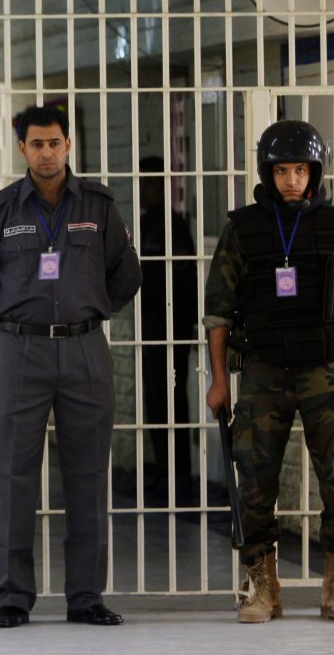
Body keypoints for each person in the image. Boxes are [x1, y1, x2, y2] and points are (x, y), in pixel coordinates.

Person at [0, 104, 141, 629]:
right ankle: (13, 597)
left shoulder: (99, 206)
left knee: (87, 475)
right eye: (36, 144)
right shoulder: (0, 210)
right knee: (14, 476)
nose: (47, 152)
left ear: (68, 145)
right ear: (22, 149)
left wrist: (86, 306)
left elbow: (126, 275)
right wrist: (12, 311)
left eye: (55, 142)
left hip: (85, 351)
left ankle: (85, 597)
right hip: (21, 352)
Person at [203, 119, 334, 625]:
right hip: (262, 370)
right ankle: (263, 588)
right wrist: (219, 381)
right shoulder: (243, 230)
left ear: (314, 172)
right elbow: (217, 313)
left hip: (327, 372)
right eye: (282, 171)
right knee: (255, 479)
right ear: (268, 172)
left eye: (301, 170)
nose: (292, 181)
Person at [138, 156, 198, 499]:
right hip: (152, 324)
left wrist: (183, 325)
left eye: (149, 183)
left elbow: (183, 278)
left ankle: (180, 475)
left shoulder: (173, 225)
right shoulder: (147, 224)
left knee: (172, 399)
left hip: (172, 327)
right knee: (155, 401)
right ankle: (165, 471)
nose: (144, 190)